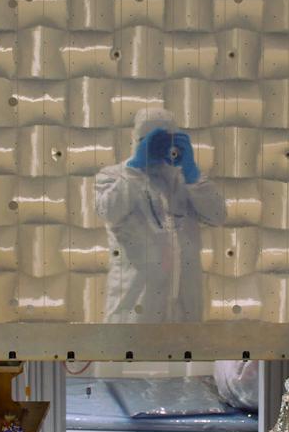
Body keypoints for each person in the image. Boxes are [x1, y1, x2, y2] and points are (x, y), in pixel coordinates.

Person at [95, 107, 227, 323]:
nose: (155, 147)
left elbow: (218, 215)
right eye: (148, 140)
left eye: (163, 140)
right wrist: (136, 167)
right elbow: (108, 211)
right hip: (135, 310)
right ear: (136, 140)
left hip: (184, 310)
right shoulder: (115, 177)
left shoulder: (187, 180)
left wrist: (192, 173)